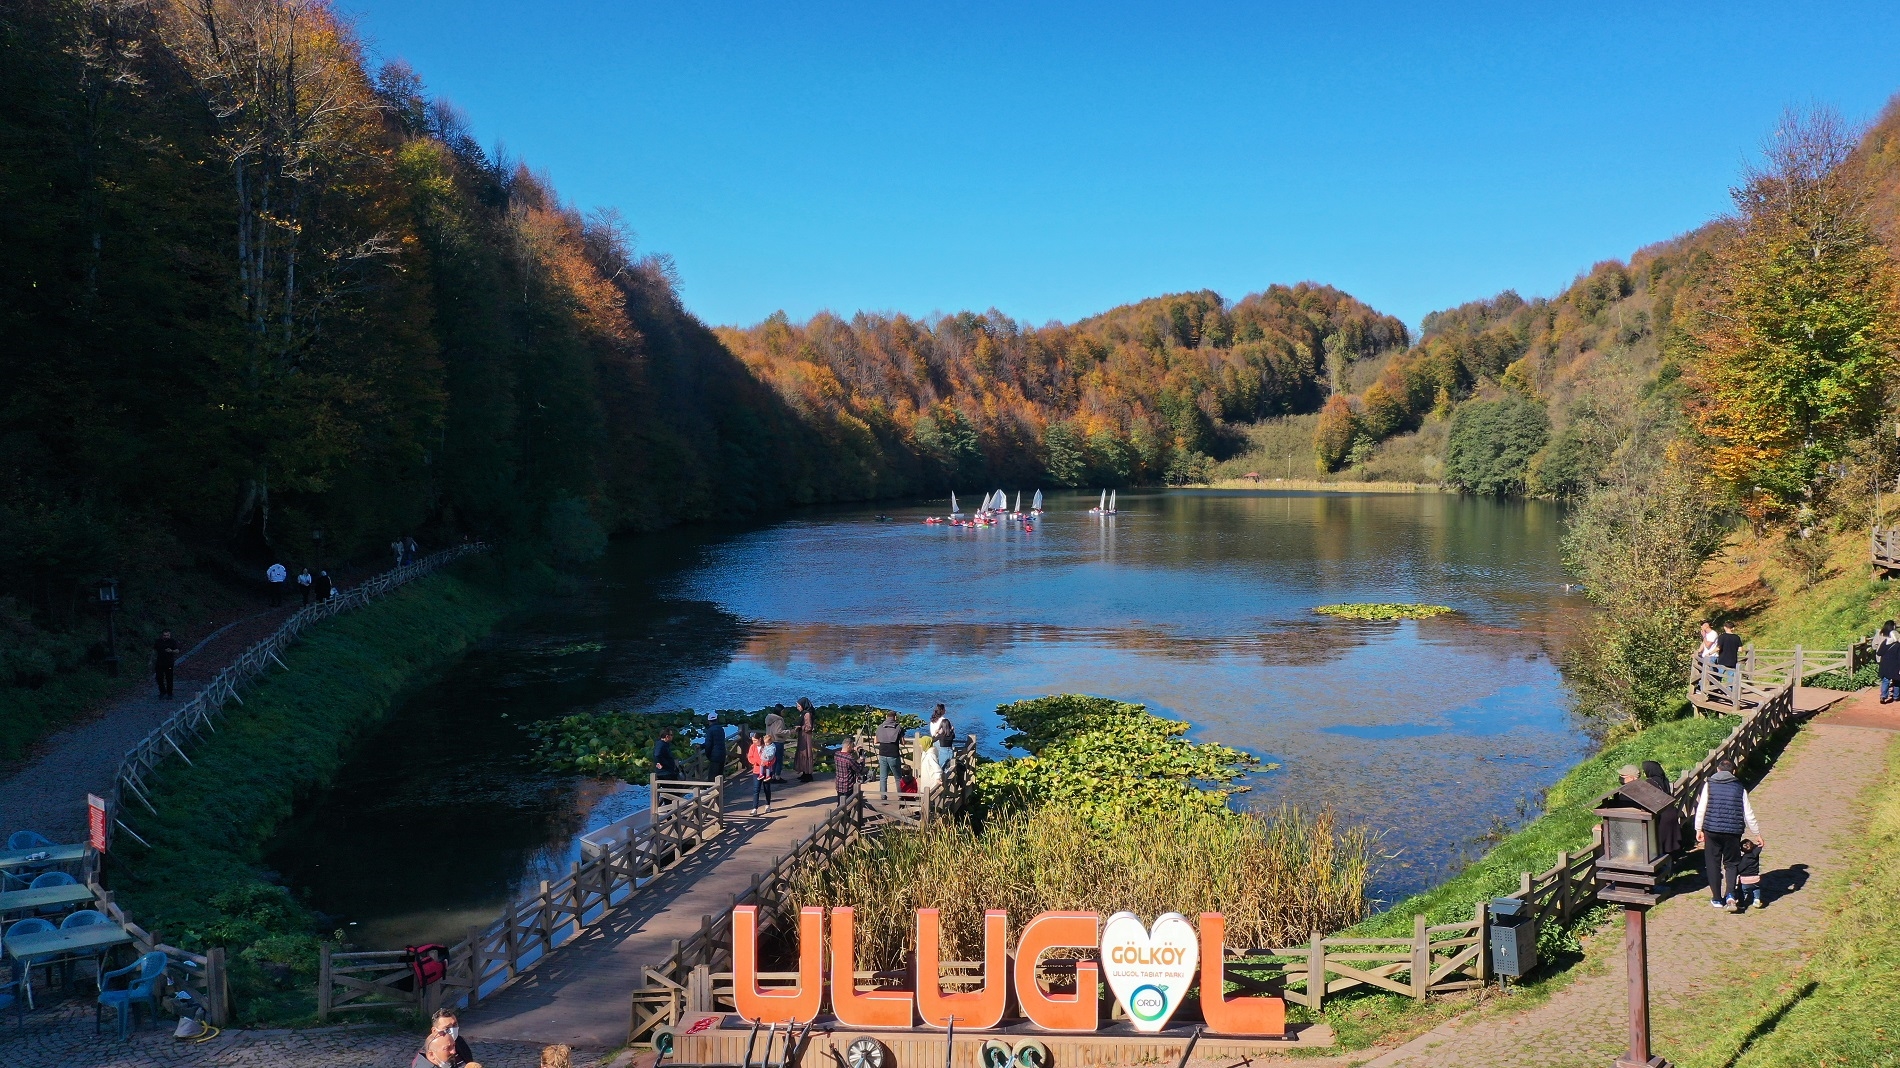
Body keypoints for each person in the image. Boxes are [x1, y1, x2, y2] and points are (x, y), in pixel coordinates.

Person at [1695, 758, 1763, 912]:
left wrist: (1698, 829)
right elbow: (1748, 813)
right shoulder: (1740, 788)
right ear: (1734, 771)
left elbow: (1701, 809)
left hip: (1712, 830)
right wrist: (1757, 833)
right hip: (1733, 831)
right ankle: (1731, 896)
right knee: (1731, 863)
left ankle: (1717, 899)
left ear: (1718, 770)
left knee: (1713, 863)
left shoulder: (1709, 785)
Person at [413, 1008, 481, 1068]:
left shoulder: (459, 1041)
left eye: (454, 1025)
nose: (453, 1051)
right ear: (434, 1031)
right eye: (447, 1028)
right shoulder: (425, 1060)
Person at [1641, 759, 1684, 854]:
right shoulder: (1664, 780)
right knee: (1670, 839)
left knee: (1661, 841)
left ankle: (1664, 862)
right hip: (1671, 812)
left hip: (1662, 815)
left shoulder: (1649, 782)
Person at [875, 711, 903, 797]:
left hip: (882, 753)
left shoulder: (880, 727)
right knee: (898, 778)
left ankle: (883, 797)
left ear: (886, 717)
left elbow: (875, 741)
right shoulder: (898, 727)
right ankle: (901, 796)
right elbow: (903, 742)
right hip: (893, 755)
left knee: (883, 778)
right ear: (894, 717)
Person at [748, 731, 776, 815]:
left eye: (755, 740)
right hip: (757, 771)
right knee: (756, 789)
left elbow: (773, 758)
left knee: (767, 789)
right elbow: (750, 757)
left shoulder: (767, 745)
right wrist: (757, 762)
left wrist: (767, 763)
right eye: (752, 740)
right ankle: (754, 808)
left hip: (767, 771)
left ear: (760, 739)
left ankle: (767, 805)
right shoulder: (752, 747)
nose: (753, 742)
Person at [1734, 837, 1764, 910]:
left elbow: (1740, 869)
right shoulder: (1755, 854)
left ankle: (1741, 904)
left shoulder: (1744, 859)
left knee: (1741, 892)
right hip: (1756, 879)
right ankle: (1756, 899)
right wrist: (1760, 843)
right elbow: (1759, 846)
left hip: (1745, 880)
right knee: (1756, 888)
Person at [793, 698, 817, 783]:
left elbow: (809, 727)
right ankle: (804, 772)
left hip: (806, 736)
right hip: (802, 735)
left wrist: (800, 727)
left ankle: (808, 774)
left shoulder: (807, 714)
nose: (797, 707)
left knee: (806, 753)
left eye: (799, 706)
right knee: (802, 753)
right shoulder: (803, 713)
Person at [833, 738, 862, 807]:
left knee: (840, 804)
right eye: (852, 746)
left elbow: (845, 753)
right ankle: (846, 817)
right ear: (849, 746)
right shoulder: (849, 758)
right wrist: (861, 759)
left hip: (839, 784)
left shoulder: (836, 754)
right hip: (848, 785)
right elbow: (859, 769)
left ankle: (839, 816)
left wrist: (853, 749)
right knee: (848, 805)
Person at [153, 630, 180, 699]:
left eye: (167, 635)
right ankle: (162, 691)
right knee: (159, 678)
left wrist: (171, 651)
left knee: (169, 678)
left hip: (169, 663)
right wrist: (151, 660)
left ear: (169, 635)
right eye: (164, 635)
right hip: (159, 662)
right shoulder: (158, 641)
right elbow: (154, 650)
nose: (166, 637)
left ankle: (169, 693)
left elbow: (177, 651)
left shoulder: (172, 641)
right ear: (162, 635)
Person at [1714, 623, 1743, 688]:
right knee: (1731, 678)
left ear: (1725, 627)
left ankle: (1715, 689)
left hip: (1723, 659)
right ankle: (1729, 692)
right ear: (1733, 628)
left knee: (1718, 676)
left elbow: (1718, 648)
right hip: (1733, 660)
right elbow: (1740, 649)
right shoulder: (1737, 637)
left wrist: (1710, 653)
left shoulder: (1722, 636)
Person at [929, 703, 956, 770]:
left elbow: (933, 735)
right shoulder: (944, 720)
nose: (945, 710)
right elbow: (947, 732)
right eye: (944, 709)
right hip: (943, 742)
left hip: (935, 741)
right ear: (942, 710)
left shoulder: (933, 720)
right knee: (946, 764)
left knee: (938, 760)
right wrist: (952, 730)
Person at [764, 705, 787, 783]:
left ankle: (771, 775)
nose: (784, 713)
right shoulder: (779, 720)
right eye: (783, 711)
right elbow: (778, 732)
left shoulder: (768, 719)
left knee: (771, 760)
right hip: (777, 741)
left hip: (769, 741)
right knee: (778, 760)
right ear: (779, 711)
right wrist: (789, 731)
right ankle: (777, 776)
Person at [1880, 620, 1900, 703]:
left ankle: (1883, 696)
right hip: (1895, 664)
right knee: (1897, 680)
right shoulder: (1898, 645)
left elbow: (1879, 652)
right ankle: (1896, 696)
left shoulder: (1885, 642)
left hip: (1885, 664)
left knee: (1885, 680)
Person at [1695, 623, 1719, 690]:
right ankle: (1701, 688)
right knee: (1703, 673)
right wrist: (1698, 651)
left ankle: (1707, 689)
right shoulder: (1707, 634)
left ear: (1706, 626)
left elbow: (1708, 645)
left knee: (1708, 675)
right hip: (1705, 657)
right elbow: (1703, 643)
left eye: (1702, 626)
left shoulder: (1713, 634)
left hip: (1711, 657)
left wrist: (1704, 636)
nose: (1701, 628)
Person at [703, 711, 727, 777]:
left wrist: (708, 755)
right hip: (722, 754)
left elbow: (708, 744)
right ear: (716, 720)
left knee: (712, 776)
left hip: (714, 756)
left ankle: (712, 787)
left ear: (709, 721)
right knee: (720, 775)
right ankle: (721, 787)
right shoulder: (721, 729)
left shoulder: (710, 730)